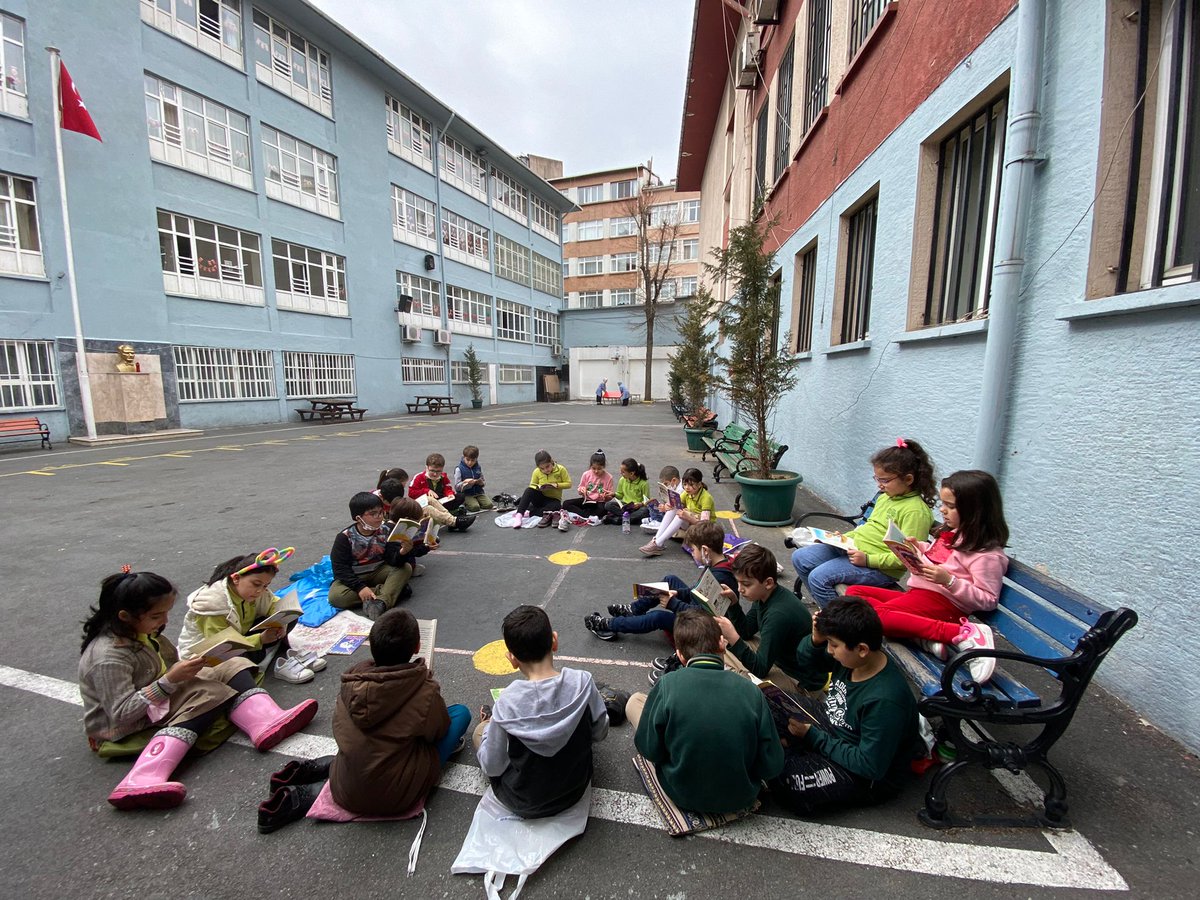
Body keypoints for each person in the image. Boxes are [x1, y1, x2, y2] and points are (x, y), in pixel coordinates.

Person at [79, 570, 317, 810]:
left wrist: (189, 669)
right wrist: (169, 681)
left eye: (166, 612)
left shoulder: (140, 632)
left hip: (159, 693)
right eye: (157, 615)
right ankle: (142, 777)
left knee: (231, 662)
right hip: (127, 724)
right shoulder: (108, 657)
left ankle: (265, 721)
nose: (165, 620)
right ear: (124, 616)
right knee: (209, 694)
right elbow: (121, 713)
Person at [256, 608, 471, 831]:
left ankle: (307, 785)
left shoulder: (352, 682)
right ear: (418, 647)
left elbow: (342, 730)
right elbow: (438, 731)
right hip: (398, 795)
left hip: (345, 784)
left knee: (372, 747)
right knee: (460, 714)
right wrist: (426, 684)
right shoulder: (424, 691)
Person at [846, 469, 1009, 684]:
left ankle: (963, 634)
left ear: (976, 511)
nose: (942, 510)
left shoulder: (987, 555)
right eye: (943, 503)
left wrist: (950, 581)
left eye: (950, 506)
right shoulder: (955, 534)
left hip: (945, 606)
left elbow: (988, 600)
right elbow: (940, 557)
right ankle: (923, 634)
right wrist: (918, 548)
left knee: (875, 618)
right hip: (920, 595)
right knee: (854, 593)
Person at [769, 598, 919, 816]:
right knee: (768, 702)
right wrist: (815, 640)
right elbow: (808, 664)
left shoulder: (885, 700)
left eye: (833, 644)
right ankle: (789, 749)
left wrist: (812, 737)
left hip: (865, 774)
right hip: (834, 726)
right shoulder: (853, 659)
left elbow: (869, 765)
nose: (829, 650)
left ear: (862, 649)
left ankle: (789, 750)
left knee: (794, 784)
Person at [627, 610, 783, 814]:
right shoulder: (750, 690)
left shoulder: (667, 684)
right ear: (722, 644)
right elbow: (771, 766)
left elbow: (649, 750)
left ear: (680, 656)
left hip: (682, 794)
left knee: (634, 702)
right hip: (741, 796)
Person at [474, 606, 609, 817]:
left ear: (512, 659)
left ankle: (486, 726)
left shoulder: (506, 703)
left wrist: (491, 730)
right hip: (575, 788)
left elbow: (493, 767)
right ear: (554, 641)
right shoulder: (583, 682)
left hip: (524, 801)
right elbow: (600, 732)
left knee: (481, 731)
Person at [791, 438, 936, 606]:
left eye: (885, 480)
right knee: (800, 557)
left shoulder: (915, 511)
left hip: (878, 568)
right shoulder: (886, 498)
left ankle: (837, 619)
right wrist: (841, 538)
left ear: (908, 479)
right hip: (853, 549)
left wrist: (868, 560)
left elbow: (907, 559)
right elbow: (869, 528)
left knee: (819, 578)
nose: (880, 485)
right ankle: (828, 607)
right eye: (877, 479)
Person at [584, 521, 741, 649]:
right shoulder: (717, 564)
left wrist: (673, 604)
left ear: (705, 550)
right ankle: (634, 609)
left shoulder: (720, 578)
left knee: (658, 617)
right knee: (669, 580)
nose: (692, 553)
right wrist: (679, 593)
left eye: (693, 550)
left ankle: (608, 624)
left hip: (703, 628)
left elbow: (702, 616)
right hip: (698, 610)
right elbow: (697, 591)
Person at [176, 547, 323, 684]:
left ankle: (276, 656)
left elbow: (274, 604)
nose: (260, 591)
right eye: (256, 584)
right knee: (236, 663)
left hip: (240, 635)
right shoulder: (213, 605)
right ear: (236, 578)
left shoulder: (254, 591)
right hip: (209, 655)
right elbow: (220, 646)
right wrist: (260, 639)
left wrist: (281, 622)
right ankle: (273, 661)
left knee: (289, 616)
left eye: (265, 586)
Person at [714, 544, 816, 688]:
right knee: (720, 645)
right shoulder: (764, 595)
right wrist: (733, 604)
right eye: (738, 582)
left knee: (735, 674)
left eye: (746, 584)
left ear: (768, 583)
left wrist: (733, 637)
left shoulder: (777, 615)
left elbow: (760, 669)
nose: (740, 589)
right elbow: (746, 631)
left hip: (798, 679)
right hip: (779, 661)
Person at [328, 492, 414, 620]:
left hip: (378, 571)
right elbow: (340, 569)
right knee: (336, 597)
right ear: (358, 518)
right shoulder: (344, 537)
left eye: (381, 512)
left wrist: (402, 552)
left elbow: (392, 559)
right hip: (354, 575)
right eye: (373, 514)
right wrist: (360, 588)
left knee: (405, 568)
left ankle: (381, 603)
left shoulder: (386, 530)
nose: (379, 517)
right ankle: (391, 591)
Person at [639, 467, 715, 556]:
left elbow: (704, 525)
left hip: (704, 529)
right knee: (674, 509)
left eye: (691, 485)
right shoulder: (686, 493)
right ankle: (656, 540)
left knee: (681, 514)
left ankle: (658, 543)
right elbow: (676, 505)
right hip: (691, 523)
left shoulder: (706, 498)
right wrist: (667, 506)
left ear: (699, 484)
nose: (687, 487)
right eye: (685, 484)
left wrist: (688, 517)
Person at [379, 470, 470, 532]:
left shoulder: (390, 489)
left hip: (402, 514)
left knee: (429, 499)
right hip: (400, 521)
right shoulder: (382, 498)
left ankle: (452, 520)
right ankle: (455, 522)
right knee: (428, 509)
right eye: (403, 485)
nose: (404, 487)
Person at [409, 452, 475, 531]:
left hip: (440, 501)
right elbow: (411, 493)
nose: (435, 474)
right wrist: (426, 491)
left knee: (460, 496)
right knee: (430, 507)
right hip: (424, 503)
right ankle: (454, 522)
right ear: (426, 467)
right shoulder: (418, 477)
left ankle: (448, 517)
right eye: (432, 471)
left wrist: (450, 494)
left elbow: (448, 488)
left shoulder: (443, 476)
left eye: (438, 471)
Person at [511, 449, 571, 529]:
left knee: (557, 507)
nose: (546, 470)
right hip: (540, 497)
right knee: (528, 490)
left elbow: (569, 484)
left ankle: (530, 512)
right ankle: (519, 515)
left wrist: (556, 485)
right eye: (542, 469)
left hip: (553, 500)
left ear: (551, 461)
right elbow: (532, 486)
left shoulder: (561, 469)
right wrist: (539, 488)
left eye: (547, 466)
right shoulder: (536, 472)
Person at [561, 448, 615, 529]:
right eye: (593, 468)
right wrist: (582, 490)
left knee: (603, 509)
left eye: (599, 469)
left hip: (599, 502)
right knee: (566, 503)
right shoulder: (586, 474)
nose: (596, 471)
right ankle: (587, 515)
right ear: (590, 466)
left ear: (603, 466)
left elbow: (610, 496)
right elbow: (580, 488)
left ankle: (583, 515)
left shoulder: (609, 477)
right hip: (586, 500)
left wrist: (606, 496)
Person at [603, 457, 650, 528]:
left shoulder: (644, 483)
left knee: (645, 511)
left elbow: (646, 501)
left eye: (623, 472)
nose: (621, 473)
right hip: (625, 506)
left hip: (636, 508)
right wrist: (613, 494)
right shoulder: (622, 480)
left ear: (631, 473)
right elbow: (620, 495)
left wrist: (640, 504)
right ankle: (628, 518)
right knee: (608, 505)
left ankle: (618, 519)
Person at [453, 445, 494, 513]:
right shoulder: (459, 469)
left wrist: (481, 482)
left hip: (478, 492)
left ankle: (476, 501)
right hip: (466, 494)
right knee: (475, 507)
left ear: (476, 459)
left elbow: (483, 481)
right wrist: (465, 483)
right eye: (467, 460)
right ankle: (464, 502)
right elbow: (457, 487)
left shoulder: (478, 467)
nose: (470, 462)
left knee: (489, 505)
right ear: (464, 457)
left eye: (473, 460)